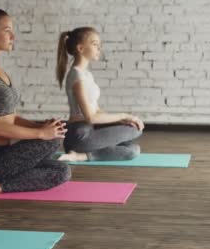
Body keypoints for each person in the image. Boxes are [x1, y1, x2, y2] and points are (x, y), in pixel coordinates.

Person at [0, 8, 71, 199]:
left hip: (5, 156)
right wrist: (41, 133)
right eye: (7, 30)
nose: (12, 35)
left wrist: (41, 126)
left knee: (62, 171)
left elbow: (10, 117)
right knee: (53, 138)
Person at [55, 27, 144, 162]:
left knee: (132, 149)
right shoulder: (76, 75)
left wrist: (121, 121)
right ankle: (82, 155)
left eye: (99, 45)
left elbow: (96, 110)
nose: (99, 48)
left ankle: (83, 154)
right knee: (135, 130)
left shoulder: (87, 75)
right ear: (80, 48)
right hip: (79, 135)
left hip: (89, 131)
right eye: (95, 44)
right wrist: (125, 115)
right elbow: (91, 117)